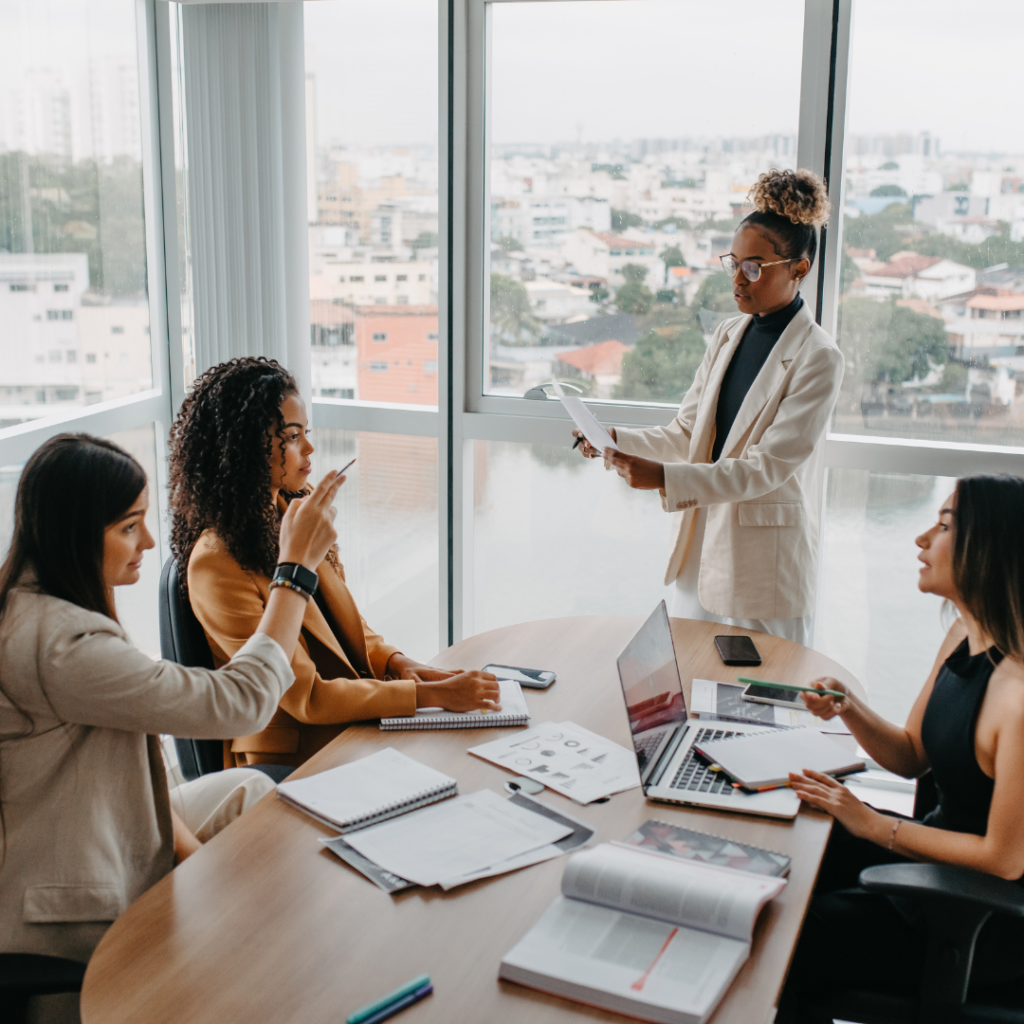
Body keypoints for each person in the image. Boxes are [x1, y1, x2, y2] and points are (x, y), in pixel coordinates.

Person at [0, 433, 341, 1009]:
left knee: (250, 790)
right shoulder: (59, 646)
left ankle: (277, 951)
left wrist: (196, 856)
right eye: (129, 526)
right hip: (64, 904)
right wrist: (294, 573)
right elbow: (240, 702)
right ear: (76, 533)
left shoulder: (42, 601)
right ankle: (259, 979)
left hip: (98, 820)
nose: (149, 542)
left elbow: (141, 760)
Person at [168, 356, 499, 768]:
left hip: (344, 726)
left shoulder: (292, 511)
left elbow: (346, 626)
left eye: (306, 432)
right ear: (242, 449)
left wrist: (400, 664)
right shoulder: (215, 564)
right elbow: (307, 698)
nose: (309, 448)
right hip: (289, 760)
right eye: (290, 437)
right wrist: (428, 696)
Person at [779, 475, 1024, 1019]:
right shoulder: (964, 633)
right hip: (930, 856)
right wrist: (850, 708)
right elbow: (911, 752)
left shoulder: (1019, 699)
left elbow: (1005, 860)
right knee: (785, 851)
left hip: (975, 918)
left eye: (942, 526)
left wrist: (871, 825)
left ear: (989, 545)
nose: (921, 540)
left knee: (780, 940)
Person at [575, 169, 843, 643]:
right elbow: (686, 433)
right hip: (700, 551)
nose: (738, 279)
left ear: (798, 269)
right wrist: (615, 440)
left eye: (755, 267)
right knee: (690, 683)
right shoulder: (728, 333)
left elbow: (765, 468)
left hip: (765, 567)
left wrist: (661, 477)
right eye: (733, 263)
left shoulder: (819, 356)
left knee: (762, 703)